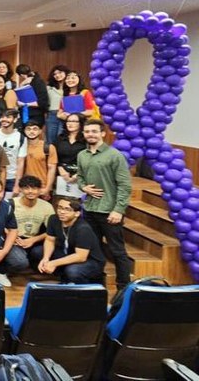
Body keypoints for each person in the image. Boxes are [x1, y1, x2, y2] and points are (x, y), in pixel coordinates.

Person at [77, 118, 132, 289]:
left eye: (94, 131)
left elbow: (125, 185)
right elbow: (80, 177)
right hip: (90, 209)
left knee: (117, 251)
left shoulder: (114, 155)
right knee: (95, 249)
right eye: (87, 132)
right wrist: (84, 187)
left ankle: (123, 288)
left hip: (109, 211)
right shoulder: (82, 155)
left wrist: (119, 210)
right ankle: (97, 284)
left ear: (102, 133)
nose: (90, 134)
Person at [39, 198, 106, 284]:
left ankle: (87, 288)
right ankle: (64, 278)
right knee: (38, 252)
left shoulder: (83, 228)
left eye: (67, 209)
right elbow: (49, 240)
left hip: (91, 260)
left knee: (73, 271)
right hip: (68, 252)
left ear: (77, 213)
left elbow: (81, 257)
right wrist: (46, 258)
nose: (62, 212)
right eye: (60, 208)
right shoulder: (53, 219)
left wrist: (53, 263)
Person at [12, 175, 55, 271]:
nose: (30, 191)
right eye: (26, 188)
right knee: (19, 261)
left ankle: (34, 267)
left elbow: (53, 231)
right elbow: (1, 225)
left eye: (34, 188)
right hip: (14, 240)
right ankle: (2, 271)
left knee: (44, 252)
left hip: (35, 239)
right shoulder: (10, 204)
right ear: (21, 189)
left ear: (40, 190)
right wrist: (13, 238)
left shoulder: (47, 206)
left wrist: (33, 240)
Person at [0, 109, 27, 199]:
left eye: (8, 117)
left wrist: (17, 185)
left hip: (12, 178)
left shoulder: (21, 138)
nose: (4, 119)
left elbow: (21, 162)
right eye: (3, 117)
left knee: (9, 206)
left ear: (15, 120)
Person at [53, 113, 86, 199]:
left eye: (74, 121)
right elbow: (54, 156)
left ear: (81, 123)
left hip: (80, 176)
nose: (70, 123)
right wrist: (60, 168)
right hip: (61, 175)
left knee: (76, 205)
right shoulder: (60, 138)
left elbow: (90, 159)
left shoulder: (86, 139)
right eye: (68, 121)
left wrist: (78, 174)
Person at [22, 120, 58, 198]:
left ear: (40, 131)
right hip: (25, 187)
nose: (31, 132)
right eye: (28, 129)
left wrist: (47, 188)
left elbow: (52, 169)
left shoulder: (48, 148)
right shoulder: (21, 147)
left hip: (42, 188)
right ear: (24, 131)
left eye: (35, 129)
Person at [15, 63, 50, 128]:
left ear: (22, 75)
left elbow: (43, 102)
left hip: (35, 115)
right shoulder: (26, 83)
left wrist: (25, 103)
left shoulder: (38, 82)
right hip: (26, 113)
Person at [45, 65, 69, 145]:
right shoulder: (49, 88)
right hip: (52, 115)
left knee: (62, 139)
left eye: (60, 72)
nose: (57, 75)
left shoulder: (70, 87)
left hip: (66, 115)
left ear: (66, 73)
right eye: (55, 74)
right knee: (50, 140)